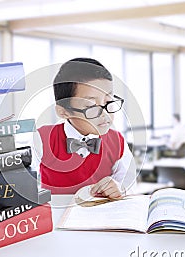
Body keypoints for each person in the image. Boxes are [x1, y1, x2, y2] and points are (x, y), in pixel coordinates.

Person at [33, 58, 137, 198]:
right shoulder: (42, 138)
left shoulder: (117, 141)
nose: (105, 114)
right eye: (91, 107)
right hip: (56, 217)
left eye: (108, 101)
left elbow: (129, 183)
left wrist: (120, 188)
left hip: (103, 216)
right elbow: (25, 186)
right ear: (64, 112)